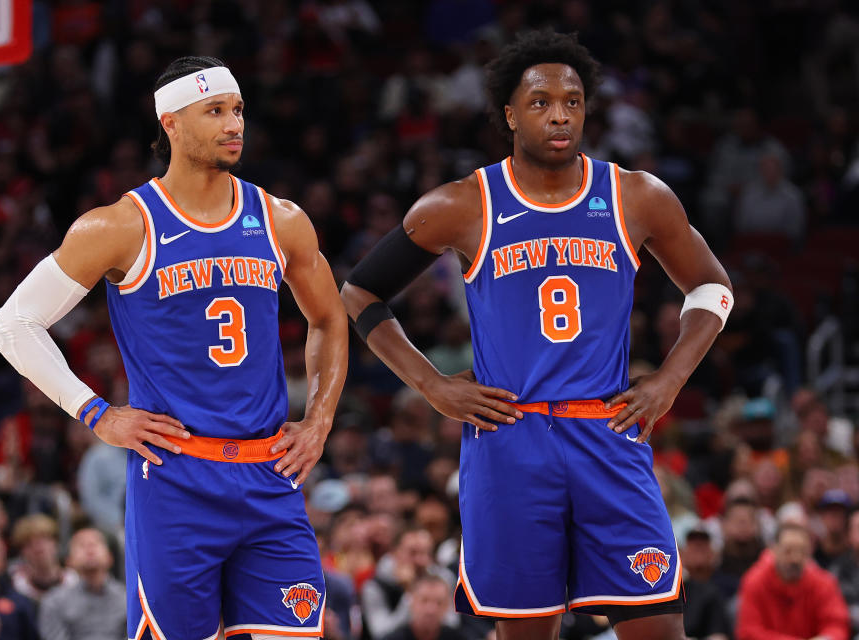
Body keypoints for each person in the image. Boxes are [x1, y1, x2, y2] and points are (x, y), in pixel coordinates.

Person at [341, 31, 733, 640]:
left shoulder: (636, 195)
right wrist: (432, 386)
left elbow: (711, 289)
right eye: (541, 101)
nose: (559, 114)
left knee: (658, 626)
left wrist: (670, 380)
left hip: (607, 431)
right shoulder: (462, 204)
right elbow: (359, 292)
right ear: (509, 113)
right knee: (525, 632)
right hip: (509, 440)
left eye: (572, 102)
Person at [0, 55, 348, 639]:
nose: (234, 124)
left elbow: (330, 320)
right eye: (215, 111)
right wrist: (97, 414)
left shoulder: (280, 219)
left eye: (237, 110)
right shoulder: (118, 226)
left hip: (270, 476)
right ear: (172, 123)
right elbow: (13, 324)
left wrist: (321, 420)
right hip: (177, 480)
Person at [734, 522, 849, 640]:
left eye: (802, 551)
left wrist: (826, 638)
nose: (795, 558)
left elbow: (837, 625)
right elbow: (748, 631)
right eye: (788, 551)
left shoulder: (824, 583)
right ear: (774, 549)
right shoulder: (754, 581)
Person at [38, 528, 126, 640]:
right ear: (69, 561)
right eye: (81, 545)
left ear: (110, 557)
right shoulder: (54, 602)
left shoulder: (127, 598)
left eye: (95, 544)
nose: (90, 550)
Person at [8, 514, 76, 603]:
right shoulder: (16, 586)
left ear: (56, 543)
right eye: (29, 543)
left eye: (43, 540)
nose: (37, 547)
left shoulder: (74, 581)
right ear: (22, 552)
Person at [380, 574, 466, 640]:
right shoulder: (392, 638)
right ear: (411, 602)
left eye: (439, 603)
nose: (431, 610)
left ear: (447, 606)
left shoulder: (458, 637)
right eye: (424, 601)